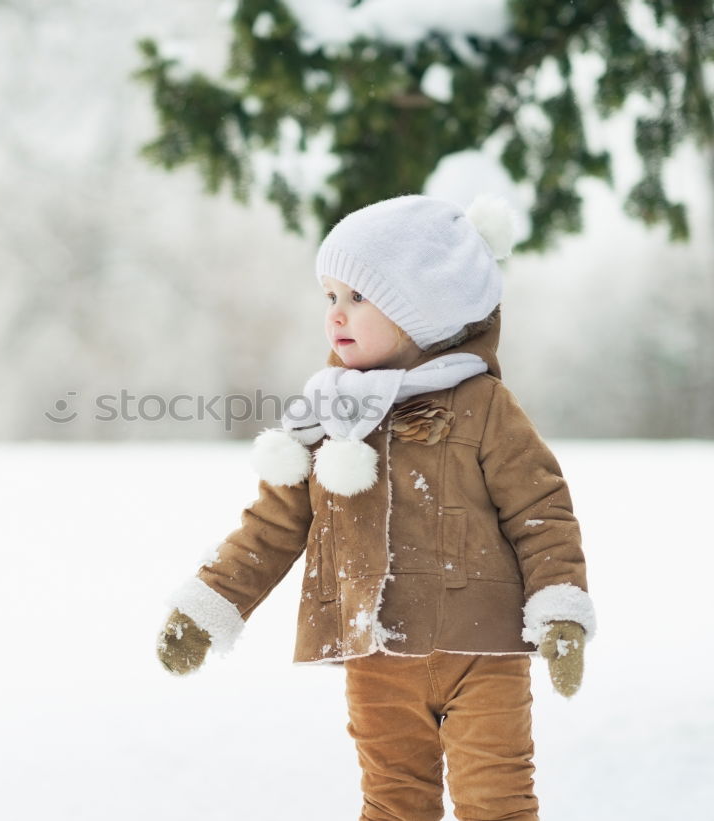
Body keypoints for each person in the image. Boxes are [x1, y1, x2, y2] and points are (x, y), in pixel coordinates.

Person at [155, 194, 595, 821]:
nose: (336, 314)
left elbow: (541, 511)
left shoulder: (484, 407)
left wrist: (560, 612)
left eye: (358, 297)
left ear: (427, 309)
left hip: (485, 651)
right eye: (329, 296)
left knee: (496, 801)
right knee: (393, 804)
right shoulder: (326, 417)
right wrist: (208, 607)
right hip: (377, 653)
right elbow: (273, 526)